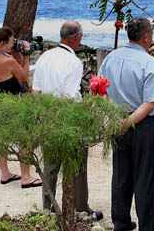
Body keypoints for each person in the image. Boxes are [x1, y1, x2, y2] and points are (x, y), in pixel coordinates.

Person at [100, 18, 154, 231]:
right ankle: (148, 226)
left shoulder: (111, 57)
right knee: (146, 177)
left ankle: (121, 222)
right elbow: (149, 102)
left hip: (117, 118)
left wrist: (113, 117)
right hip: (143, 124)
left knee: (121, 174)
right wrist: (128, 122)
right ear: (146, 37)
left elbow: (100, 89)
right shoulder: (149, 63)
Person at [32, 21, 101, 217]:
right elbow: (71, 96)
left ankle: (48, 207)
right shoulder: (74, 62)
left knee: (50, 165)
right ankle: (80, 206)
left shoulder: (45, 56)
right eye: (81, 35)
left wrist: (40, 115)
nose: (81, 39)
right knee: (77, 164)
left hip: (47, 114)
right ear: (75, 37)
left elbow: (35, 90)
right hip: (68, 117)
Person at [0, 27, 41, 188]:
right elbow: (23, 77)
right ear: (3, 42)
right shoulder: (8, 61)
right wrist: (26, 57)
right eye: (11, 41)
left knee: (2, 138)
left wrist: (17, 54)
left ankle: (5, 173)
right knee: (25, 138)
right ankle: (25, 177)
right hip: (14, 101)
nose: (13, 44)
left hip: (0, 99)